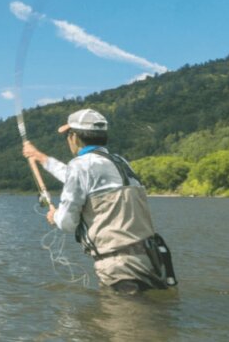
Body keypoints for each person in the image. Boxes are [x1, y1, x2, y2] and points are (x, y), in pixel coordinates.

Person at [22, 108, 176, 295]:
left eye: (68, 135)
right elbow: (79, 177)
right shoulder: (120, 162)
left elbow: (68, 223)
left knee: (125, 318)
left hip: (120, 266)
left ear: (74, 137)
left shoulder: (79, 166)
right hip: (152, 257)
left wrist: (55, 216)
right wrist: (40, 157)